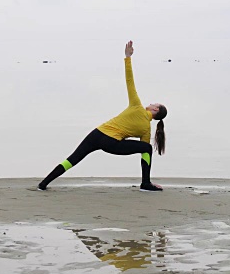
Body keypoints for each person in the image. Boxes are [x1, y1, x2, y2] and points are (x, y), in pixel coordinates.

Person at [37, 40, 168, 192]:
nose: (151, 103)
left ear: (156, 110)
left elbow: (130, 80)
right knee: (147, 148)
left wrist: (127, 57)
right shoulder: (146, 129)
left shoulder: (137, 106)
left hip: (96, 133)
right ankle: (145, 183)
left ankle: (43, 184)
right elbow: (144, 154)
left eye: (154, 104)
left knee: (72, 159)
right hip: (110, 143)